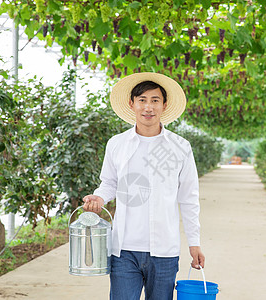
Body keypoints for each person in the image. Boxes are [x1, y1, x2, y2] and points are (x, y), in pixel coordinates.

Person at [82, 72, 205, 300]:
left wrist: (194, 243)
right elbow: (109, 183)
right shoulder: (117, 144)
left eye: (155, 100)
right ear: (132, 104)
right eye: (142, 100)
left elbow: (188, 198)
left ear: (164, 105)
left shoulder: (180, 147)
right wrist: (99, 197)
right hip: (124, 249)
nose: (148, 107)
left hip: (165, 250)